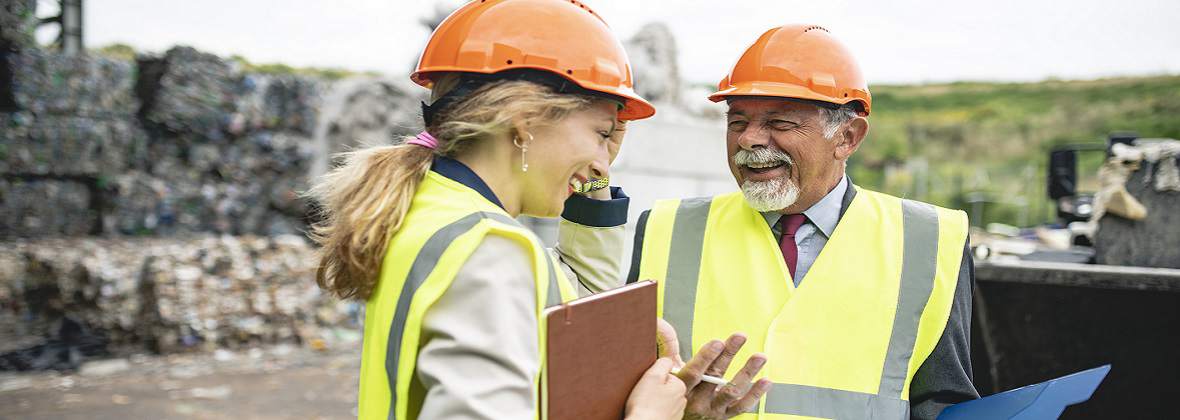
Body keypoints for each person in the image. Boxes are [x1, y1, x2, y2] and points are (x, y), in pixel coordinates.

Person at [567, 24, 980, 419]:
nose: (749, 140)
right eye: (738, 121)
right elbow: (617, 385)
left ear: (848, 137)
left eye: (779, 123)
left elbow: (940, 404)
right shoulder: (666, 227)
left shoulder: (930, 241)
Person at [306, 1, 688, 418]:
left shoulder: (431, 210)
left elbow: (572, 298)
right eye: (600, 133)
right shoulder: (490, 249)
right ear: (525, 120)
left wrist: (592, 173)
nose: (605, 161)